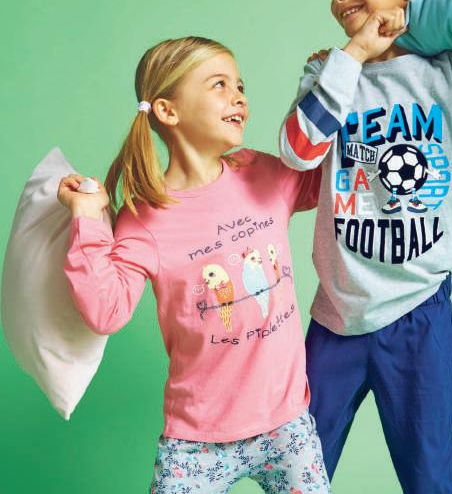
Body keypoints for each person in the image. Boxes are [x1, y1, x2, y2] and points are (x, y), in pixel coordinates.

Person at [279, 0, 452, 494]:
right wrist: (351, 56)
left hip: (419, 310)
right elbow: (299, 151)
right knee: (297, 471)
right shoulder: (326, 72)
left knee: (428, 474)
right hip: (336, 313)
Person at [58, 36, 330, 494]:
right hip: (197, 442)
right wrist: (87, 216)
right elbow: (106, 311)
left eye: (239, 85)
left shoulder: (262, 172)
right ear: (168, 110)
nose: (238, 95)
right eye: (219, 84)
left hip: (288, 424)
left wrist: (328, 87)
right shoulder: (145, 217)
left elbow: (330, 171)